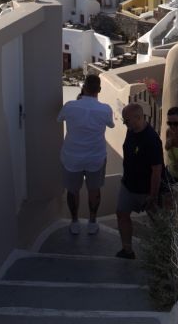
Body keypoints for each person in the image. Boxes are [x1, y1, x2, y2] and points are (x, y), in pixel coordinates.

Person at [57, 75, 114, 234]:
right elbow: (111, 124)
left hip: (72, 156)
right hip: (96, 157)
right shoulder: (105, 109)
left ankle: (75, 222)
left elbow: (59, 118)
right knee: (94, 190)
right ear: (99, 90)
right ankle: (92, 222)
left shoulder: (70, 106)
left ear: (83, 88)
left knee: (72, 190)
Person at [116, 103, 164, 259]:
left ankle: (163, 255)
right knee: (122, 214)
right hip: (128, 185)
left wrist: (153, 195)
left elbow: (157, 170)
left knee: (158, 222)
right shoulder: (131, 131)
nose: (125, 124)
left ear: (138, 117)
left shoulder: (152, 139)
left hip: (146, 190)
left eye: (126, 120)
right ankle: (127, 250)